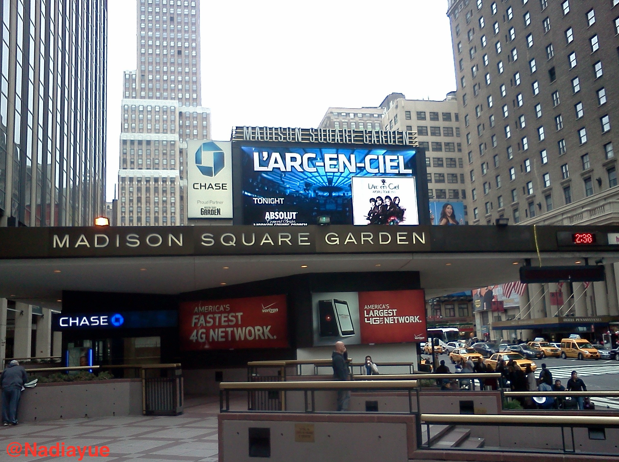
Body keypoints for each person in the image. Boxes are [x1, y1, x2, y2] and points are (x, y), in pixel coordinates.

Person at [1, 360, 29, 426]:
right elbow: (25, 379)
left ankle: (5, 421)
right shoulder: (21, 368)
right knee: (13, 404)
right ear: (17, 364)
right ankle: (13, 420)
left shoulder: (6, 369)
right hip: (15, 387)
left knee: (5, 404)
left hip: (5, 387)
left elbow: (1, 379)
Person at [332, 341, 350, 411]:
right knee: (344, 396)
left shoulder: (338, 356)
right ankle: (342, 412)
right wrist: (345, 381)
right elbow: (340, 371)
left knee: (343, 397)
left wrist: (345, 352)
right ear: (339, 347)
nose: (344, 347)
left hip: (341, 380)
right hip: (341, 380)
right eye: (343, 346)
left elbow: (344, 359)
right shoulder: (338, 358)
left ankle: (341, 411)